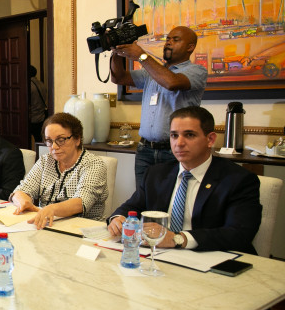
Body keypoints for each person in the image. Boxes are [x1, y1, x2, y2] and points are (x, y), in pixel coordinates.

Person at [108, 106, 261, 254]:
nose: (179, 143)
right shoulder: (156, 173)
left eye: (189, 135)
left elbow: (239, 234)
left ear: (210, 139)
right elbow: (132, 206)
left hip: (211, 259)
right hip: (160, 256)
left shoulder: (238, 180)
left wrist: (178, 239)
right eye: (174, 135)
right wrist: (118, 219)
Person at [110, 26, 207, 187]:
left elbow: (172, 82)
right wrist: (116, 51)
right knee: (143, 197)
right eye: (168, 39)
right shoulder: (151, 71)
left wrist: (141, 56)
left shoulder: (197, 71)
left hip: (175, 151)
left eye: (175, 40)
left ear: (190, 47)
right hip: (145, 150)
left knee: (171, 198)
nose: (168, 42)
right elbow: (119, 77)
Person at [10, 113, 108, 229]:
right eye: (49, 141)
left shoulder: (94, 164)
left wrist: (51, 209)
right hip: (47, 226)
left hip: (84, 230)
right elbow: (21, 190)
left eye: (61, 140)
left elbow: (81, 202)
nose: (54, 147)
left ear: (77, 139)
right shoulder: (46, 161)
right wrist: (23, 202)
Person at [28, 65, 48, 147]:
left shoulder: (28, 85)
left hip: (32, 117)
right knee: (39, 140)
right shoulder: (41, 84)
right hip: (41, 116)